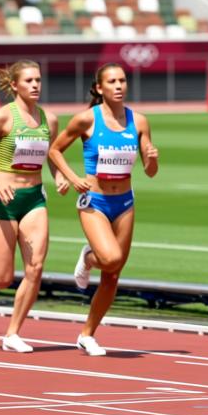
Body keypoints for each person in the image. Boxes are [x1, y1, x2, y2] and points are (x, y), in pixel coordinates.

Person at [47, 63, 159, 356]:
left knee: (113, 273)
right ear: (99, 88)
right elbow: (55, 150)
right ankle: (87, 256)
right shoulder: (86, 120)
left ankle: (87, 334)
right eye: (112, 81)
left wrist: (152, 158)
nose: (119, 86)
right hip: (94, 202)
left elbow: (150, 172)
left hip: (124, 203)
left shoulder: (140, 121)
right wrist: (73, 179)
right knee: (110, 258)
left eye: (123, 80)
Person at [0, 61, 67, 353]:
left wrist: (59, 176)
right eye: (29, 80)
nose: (36, 85)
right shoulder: (2, 118)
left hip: (34, 199)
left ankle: (12, 333)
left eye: (39, 80)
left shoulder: (50, 120)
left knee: (35, 267)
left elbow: (52, 155)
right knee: (1, 279)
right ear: (15, 86)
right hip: (4, 201)